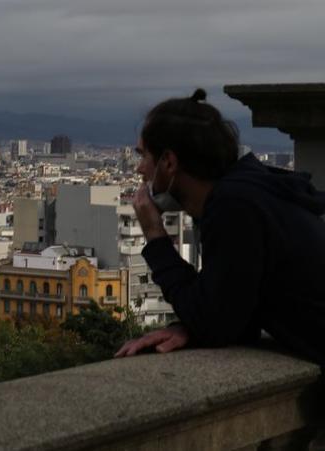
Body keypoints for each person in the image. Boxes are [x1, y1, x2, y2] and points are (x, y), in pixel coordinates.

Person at [114, 88, 325, 364]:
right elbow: (233, 307)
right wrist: (192, 326)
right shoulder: (248, 193)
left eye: (143, 156)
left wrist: (155, 234)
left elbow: (215, 322)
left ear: (168, 161)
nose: (139, 169)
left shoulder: (234, 206)